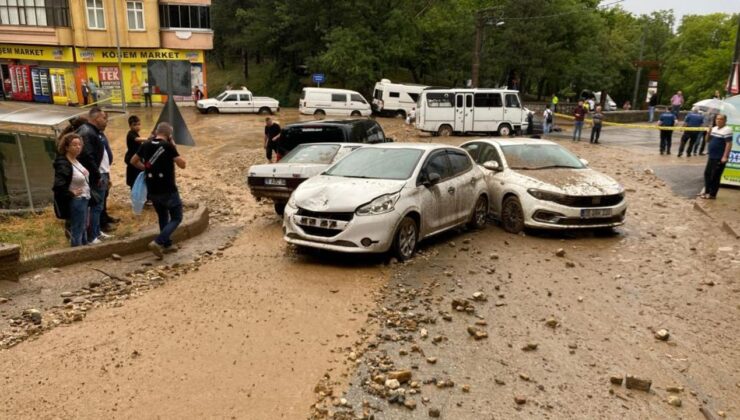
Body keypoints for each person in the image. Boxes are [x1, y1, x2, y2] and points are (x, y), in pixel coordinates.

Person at [130, 122, 186, 257]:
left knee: (162, 215)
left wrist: (146, 168)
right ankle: (158, 241)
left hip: (152, 189)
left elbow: (133, 161)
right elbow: (182, 164)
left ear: (156, 132)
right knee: (177, 217)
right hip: (168, 188)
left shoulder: (145, 144)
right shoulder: (168, 146)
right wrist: (174, 147)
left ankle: (166, 245)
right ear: (169, 135)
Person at [77, 106, 114, 243]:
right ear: (96, 118)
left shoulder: (95, 132)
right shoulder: (87, 132)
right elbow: (88, 156)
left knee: (98, 206)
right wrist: (97, 175)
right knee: (95, 206)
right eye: (104, 118)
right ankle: (92, 236)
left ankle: (97, 231)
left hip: (102, 173)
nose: (106, 121)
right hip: (96, 175)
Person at [53, 133, 92, 247]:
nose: (78, 147)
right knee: (77, 228)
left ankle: (85, 249)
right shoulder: (64, 163)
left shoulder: (76, 161)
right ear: (66, 147)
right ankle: (77, 251)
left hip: (85, 198)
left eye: (80, 144)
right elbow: (58, 185)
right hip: (76, 200)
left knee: (84, 226)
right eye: (74, 145)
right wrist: (71, 193)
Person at [700, 114, 733, 199]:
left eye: (721, 119)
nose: (718, 120)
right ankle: (706, 192)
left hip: (719, 156)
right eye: (717, 119)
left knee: (715, 176)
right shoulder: (714, 128)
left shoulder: (727, 130)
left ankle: (712, 194)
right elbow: (707, 141)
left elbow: (728, 144)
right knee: (707, 174)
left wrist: (725, 156)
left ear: (725, 121)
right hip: (711, 155)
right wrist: (708, 132)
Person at [124, 115, 147, 189]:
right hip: (132, 158)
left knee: (139, 174)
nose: (137, 127)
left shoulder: (135, 133)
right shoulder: (130, 134)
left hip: (136, 158)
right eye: (134, 125)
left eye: (138, 124)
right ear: (130, 126)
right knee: (135, 176)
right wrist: (148, 139)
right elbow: (137, 139)